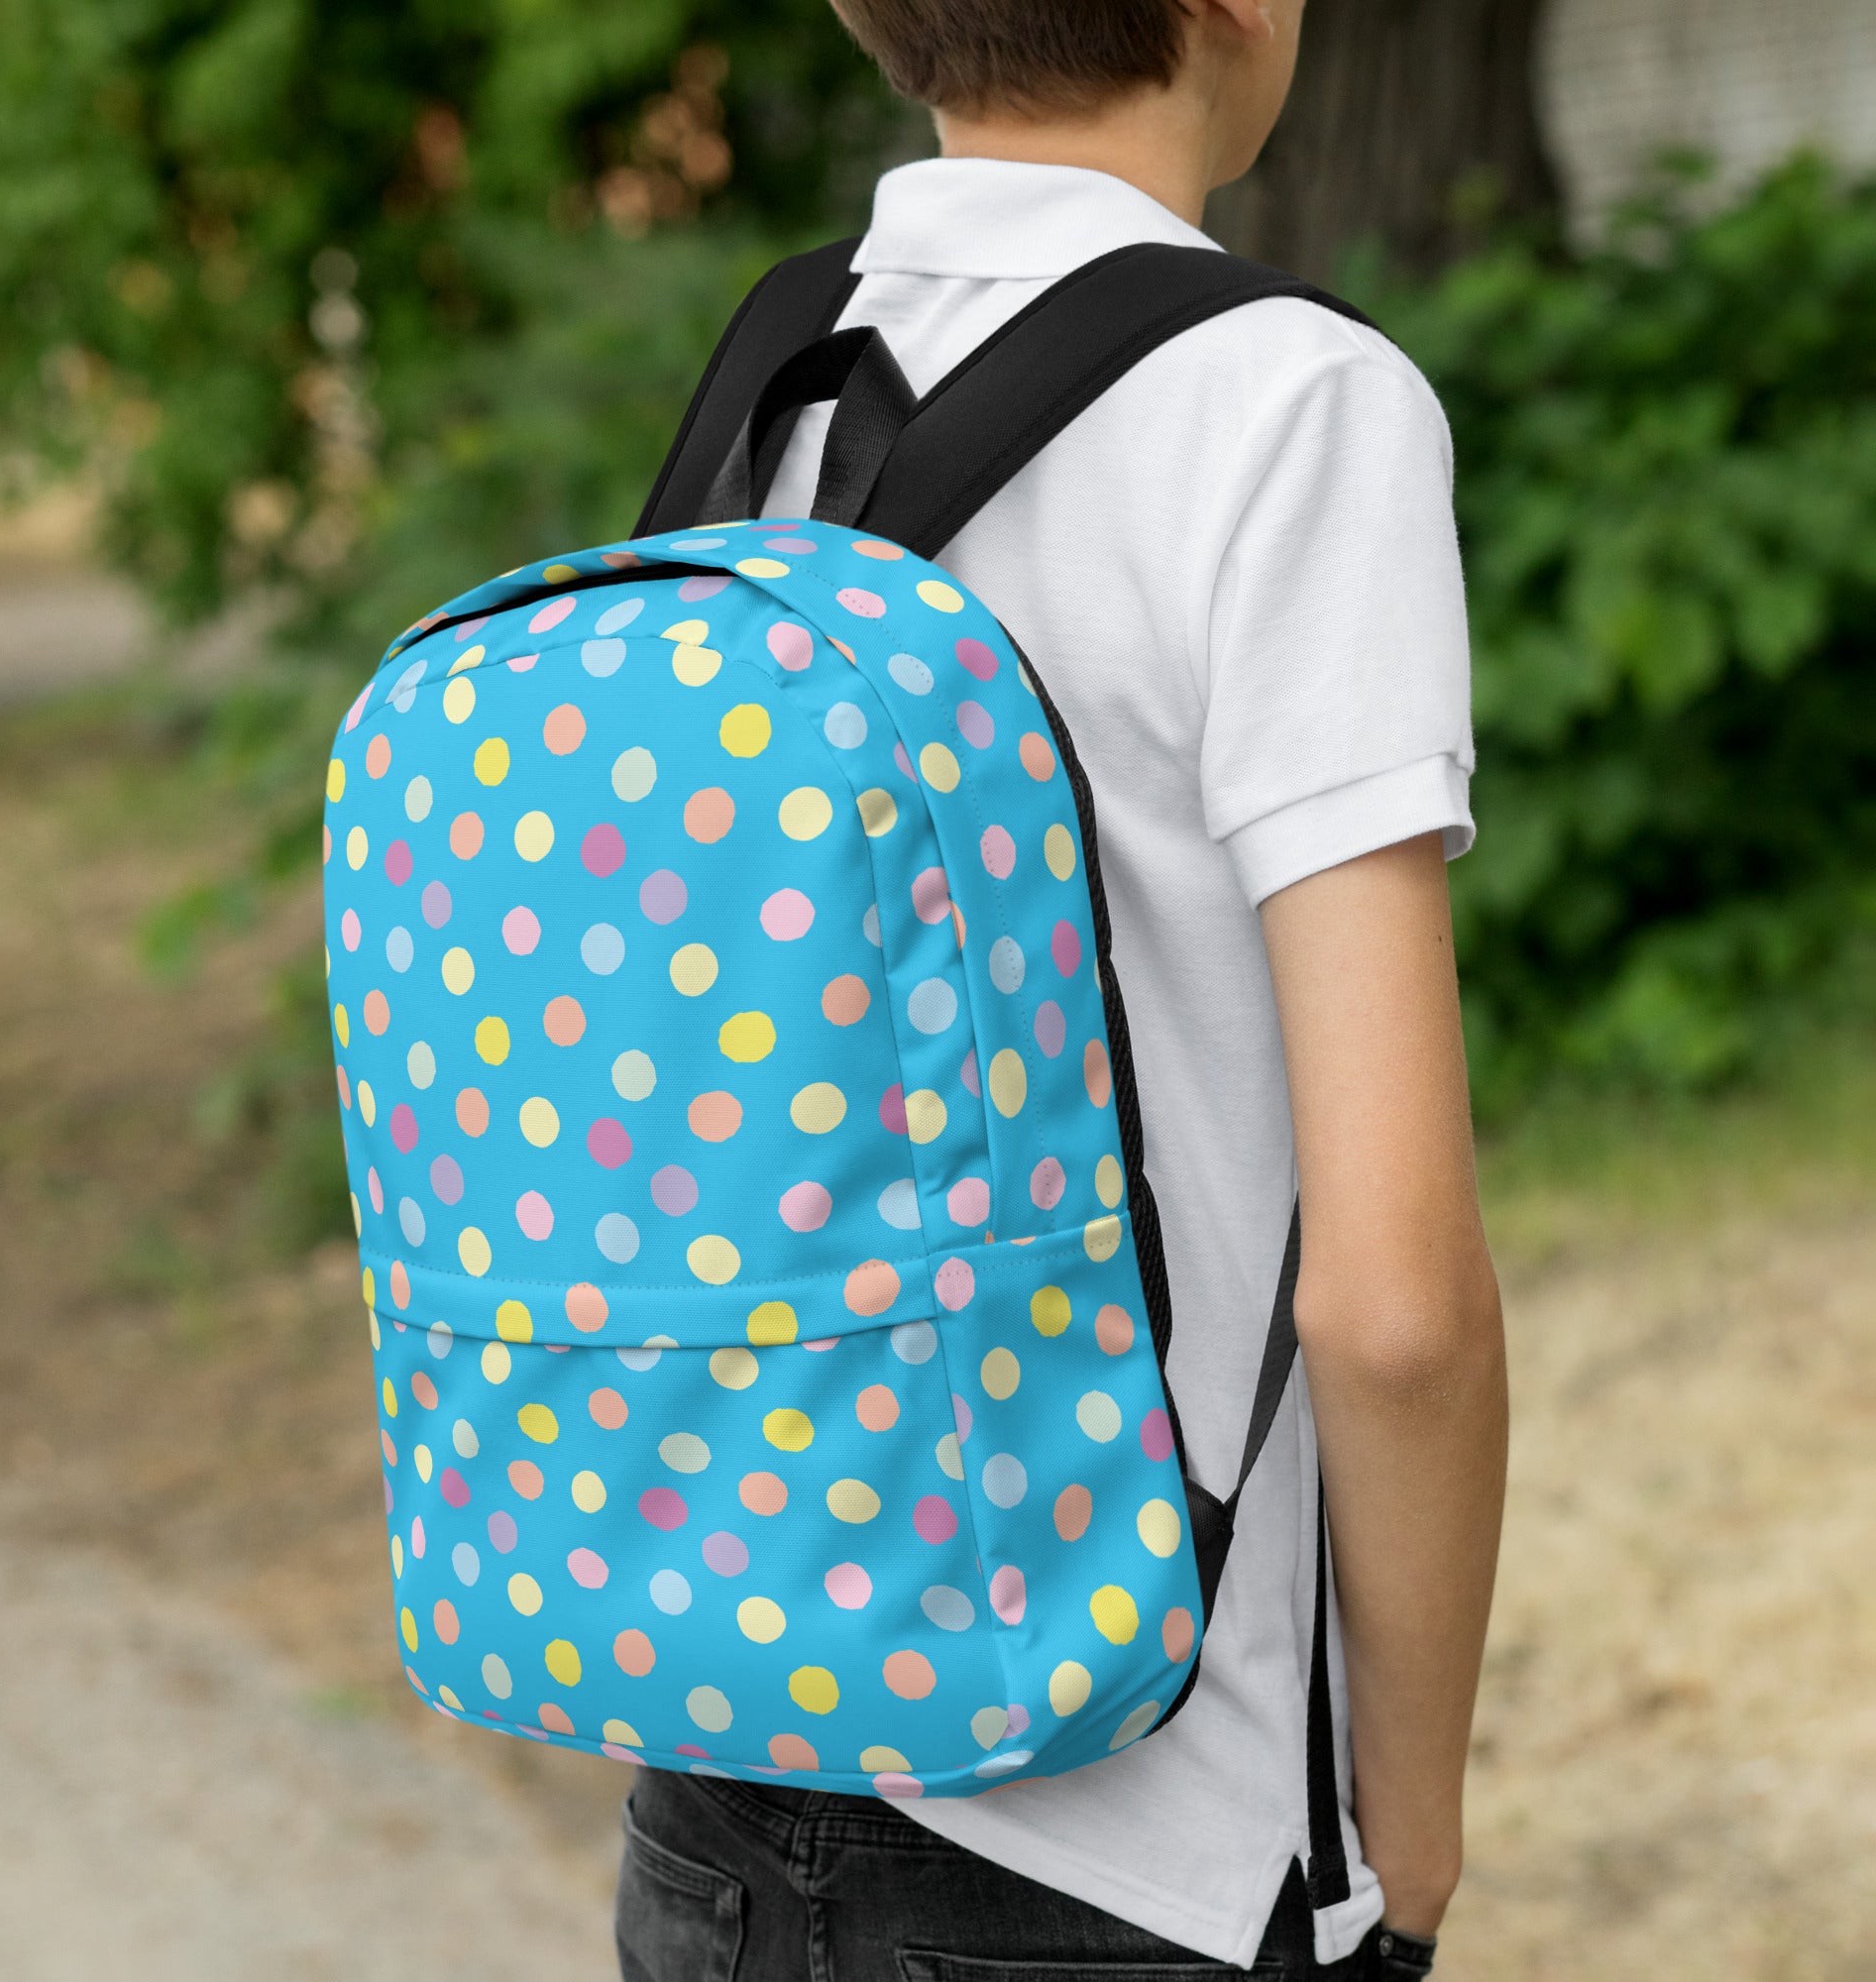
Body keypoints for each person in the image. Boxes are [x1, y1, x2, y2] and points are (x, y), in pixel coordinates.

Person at [613, 2, 1508, 1974]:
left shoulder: (778, 381)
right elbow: (1392, 1305)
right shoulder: (1291, 404)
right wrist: (1410, 1833)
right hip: (1130, 1833)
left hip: (713, 1769)